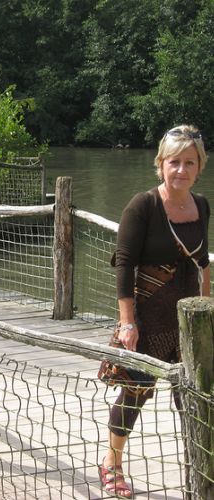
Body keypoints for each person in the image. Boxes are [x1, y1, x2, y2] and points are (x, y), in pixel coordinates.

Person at [99, 125, 210, 498]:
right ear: (161, 164)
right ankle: (111, 464)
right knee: (134, 393)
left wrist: (207, 314)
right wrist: (127, 323)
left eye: (189, 162)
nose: (181, 170)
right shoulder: (142, 205)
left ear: (200, 167)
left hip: (188, 323)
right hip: (147, 320)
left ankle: (201, 468)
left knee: (193, 397)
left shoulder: (202, 206)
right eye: (174, 162)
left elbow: (202, 264)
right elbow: (124, 265)